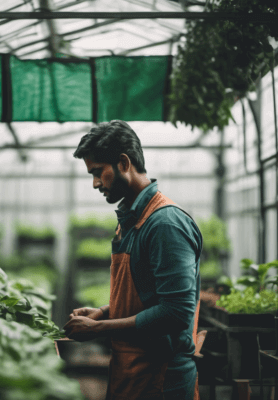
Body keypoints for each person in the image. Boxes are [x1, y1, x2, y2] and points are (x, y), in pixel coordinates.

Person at [63, 120, 203, 400]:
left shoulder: (164, 224)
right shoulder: (131, 220)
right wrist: (102, 312)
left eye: (98, 172)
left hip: (161, 381)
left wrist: (100, 328)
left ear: (124, 163)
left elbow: (175, 312)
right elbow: (145, 299)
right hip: (132, 375)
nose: (95, 183)